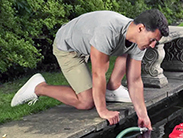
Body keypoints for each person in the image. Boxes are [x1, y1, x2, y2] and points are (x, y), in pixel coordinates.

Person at [10, 9, 169, 130]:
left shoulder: (139, 40)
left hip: (88, 43)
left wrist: (143, 115)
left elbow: (135, 80)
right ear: (141, 28)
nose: (153, 45)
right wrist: (103, 110)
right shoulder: (108, 31)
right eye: (152, 40)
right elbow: (98, 73)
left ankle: (112, 89)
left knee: (128, 54)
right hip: (68, 47)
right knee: (86, 101)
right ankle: (39, 87)